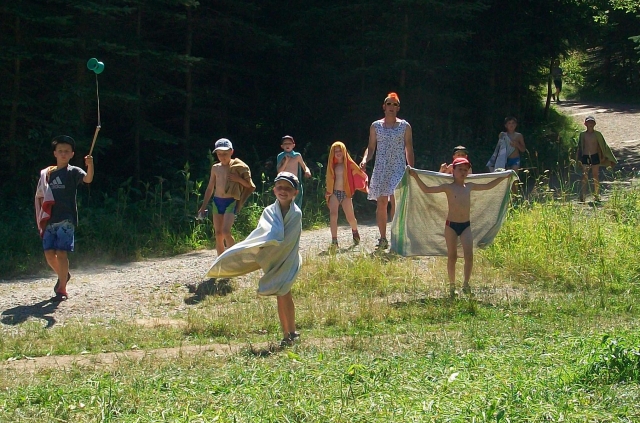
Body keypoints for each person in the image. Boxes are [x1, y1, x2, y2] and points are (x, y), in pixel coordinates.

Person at [207, 172, 302, 347]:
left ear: (295, 193)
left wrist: (275, 243)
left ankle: (292, 331)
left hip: (287, 260)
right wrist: (263, 249)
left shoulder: (296, 214)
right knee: (281, 294)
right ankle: (287, 332)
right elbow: (262, 234)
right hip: (273, 261)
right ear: (274, 190)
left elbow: (289, 240)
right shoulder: (269, 212)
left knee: (284, 293)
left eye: (288, 188)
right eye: (279, 187)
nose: (283, 191)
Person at [408, 157, 510, 298]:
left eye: (465, 170)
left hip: (465, 226)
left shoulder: (469, 186)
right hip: (451, 226)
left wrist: (504, 177)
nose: (463, 172)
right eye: (460, 169)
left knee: (469, 255)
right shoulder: (448, 187)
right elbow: (426, 189)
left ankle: (466, 284)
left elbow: (488, 186)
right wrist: (415, 176)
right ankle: (452, 286)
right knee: (452, 256)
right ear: (453, 170)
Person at [34, 135, 94, 301]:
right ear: (55, 153)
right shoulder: (47, 174)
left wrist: (90, 165)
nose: (63, 153)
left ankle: (62, 289)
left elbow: (88, 179)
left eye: (67, 151)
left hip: (66, 219)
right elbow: (40, 195)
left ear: (72, 154)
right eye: (60, 150)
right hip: (50, 219)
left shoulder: (73, 171)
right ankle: (64, 275)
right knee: (49, 254)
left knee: (61, 252)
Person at [360, 92, 414, 249]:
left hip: (398, 167)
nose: (391, 106)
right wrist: (365, 159)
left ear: (398, 108)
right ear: (384, 107)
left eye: (394, 104)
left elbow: (409, 148)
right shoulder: (376, 126)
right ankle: (383, 238)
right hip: (381, 168)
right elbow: (371, 148)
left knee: (395, 201)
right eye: (389, 104)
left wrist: (411, 168)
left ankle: (396, 237)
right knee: (382, 202)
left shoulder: (405, 126)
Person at [197, 138, 256, 256]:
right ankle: (220, 261)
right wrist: (203, 206)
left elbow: (249, 186)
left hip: (230, 202)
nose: (222, 157)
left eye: (225, 153)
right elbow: (210, 188)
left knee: (225, 232)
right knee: (218, 234)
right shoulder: (215, 168)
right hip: (217, 202)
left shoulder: (237, 167)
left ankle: (233, 257)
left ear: (231, 152)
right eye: (219, 154)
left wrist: (238, 179)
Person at [325, 141, 368, 249]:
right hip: (334, 193)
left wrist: (362, 170)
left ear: (344, 151)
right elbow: (329, 179)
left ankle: (355, 231)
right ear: (332, 153)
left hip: (346, 194)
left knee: (351, 218)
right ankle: (334, 240)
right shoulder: (332, 166)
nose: (338, 153)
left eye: (340, 150)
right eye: (336, 151)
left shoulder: (349, 165)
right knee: (333, 215)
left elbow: (358, 172)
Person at [576, 115, 617, 202]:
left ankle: (596, 195)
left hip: (595, 156)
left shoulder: (597, 134)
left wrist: (603, 157)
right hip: (585, 157)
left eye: (592, 122)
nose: (590, 124)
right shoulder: (582, 135)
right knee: (584, 176)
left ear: (594, 124)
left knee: (595, 175)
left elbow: (602, 146)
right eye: (588, 122)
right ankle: (582, 195)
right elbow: (580, 147)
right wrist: (578, 159)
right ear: (585, 124)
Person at [277, 135, 311, 209]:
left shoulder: (297, 156)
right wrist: (286, 161)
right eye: (285, 143)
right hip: (284, 182)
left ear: (293, 145)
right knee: (285, 202)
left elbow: (304, 166)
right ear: (282, 146)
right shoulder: (280, 156)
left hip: (295, 182)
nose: (287, 145)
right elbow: (279, 172)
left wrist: (307, 171)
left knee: (295, 203)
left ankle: (295, 215)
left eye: (289, 143)